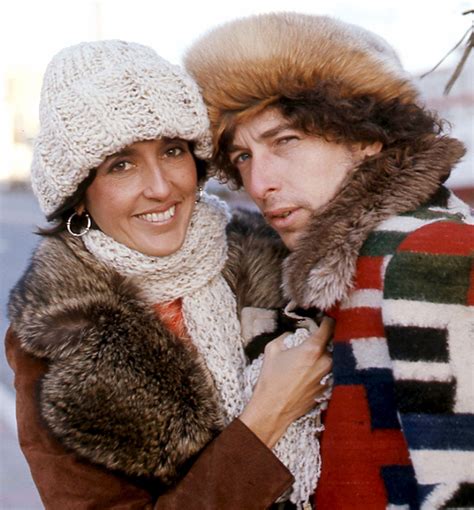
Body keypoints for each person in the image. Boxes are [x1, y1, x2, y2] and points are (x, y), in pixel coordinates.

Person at [5, 40, 334, 509]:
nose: (161, 188)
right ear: (79, 194)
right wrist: (266, 418)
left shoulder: (277, 259)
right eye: (121, 164)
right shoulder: (56, 333)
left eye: (173, 151)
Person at [185, 12, 474, 509]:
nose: (259, 184)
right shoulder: (346, 267)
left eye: (285, 142)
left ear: (364, 136)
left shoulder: (429, 254)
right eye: (243, 157)